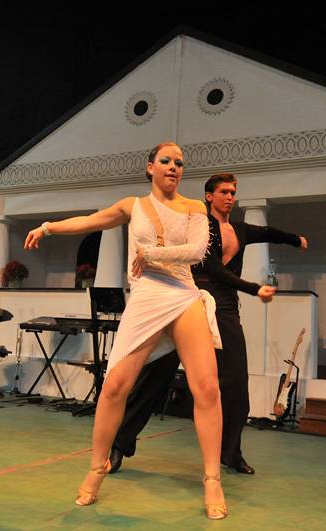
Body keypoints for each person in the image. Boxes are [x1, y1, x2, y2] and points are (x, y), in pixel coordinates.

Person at [24, 142, 228, 519]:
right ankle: (96, 468)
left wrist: (151, 254)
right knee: (115, 386)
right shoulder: (132, 206)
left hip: (182, 294)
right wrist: (47, 227)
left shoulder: (194, 207)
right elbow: (90, 221)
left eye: (179, 163)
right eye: (166, 161)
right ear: (150, 167)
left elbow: (197, 250)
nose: (174, 167)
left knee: (208, 387)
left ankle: (212, 478)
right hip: (147, 295)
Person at [108, 172, 308, 475]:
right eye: (224, 192)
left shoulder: (240, 230)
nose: (230, 197)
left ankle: (231, 454)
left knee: (236, 386)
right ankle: (119, 445)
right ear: (209, 196)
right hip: (189, 304)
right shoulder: (200, 225)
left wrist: (296, 240)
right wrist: (254, 288)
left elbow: (269, 232)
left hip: (225, 309)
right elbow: (213, 269)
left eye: (233, 192)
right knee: (156, 376)